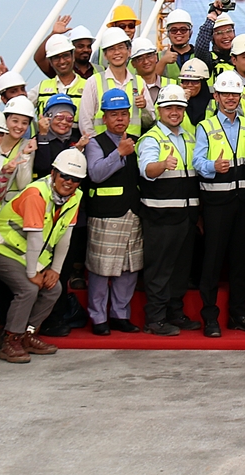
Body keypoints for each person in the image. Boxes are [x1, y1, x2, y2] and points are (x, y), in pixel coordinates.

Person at [0, 148, 85, 364]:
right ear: (54, 172)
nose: (69, 182)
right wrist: (32, 273)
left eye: (75, 179)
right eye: (65, 175)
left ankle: (28, 333)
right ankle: (12, 340)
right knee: (28, 288)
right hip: (2, 250)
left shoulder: (75, 197)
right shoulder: (37, 194)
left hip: (27, 256)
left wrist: (55, 270)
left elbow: (66, 236)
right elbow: (35, 237)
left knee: (54, 288)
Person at [194, 71, 245, 337]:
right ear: (216, 96)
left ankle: (239, 314)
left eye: (234, 94)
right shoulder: (206, 126)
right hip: (216, 203)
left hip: (244, 202)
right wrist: (213, 166)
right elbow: (197, 162)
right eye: (226, 94)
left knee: (240, 261)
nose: (230, 98)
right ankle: (210, 317)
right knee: (212, 261)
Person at [135, 86, 200, 336]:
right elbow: (147, 170)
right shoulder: (152, 139)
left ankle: (175, 312)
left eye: (179, 108)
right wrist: (163, 164)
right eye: (169, 108)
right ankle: (156, 318)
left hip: (186, 215)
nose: (174, 112)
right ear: (159, 110)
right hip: (160, 216)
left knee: (181, 269)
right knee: (159, 268)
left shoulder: (189, 137)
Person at [82, 90, 144, 336]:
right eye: (114, 114)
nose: (119, 119)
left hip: (133, 212)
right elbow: (95, 174)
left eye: (123, 114)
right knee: (100, 268)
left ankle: (120, 314)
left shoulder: (137, 140)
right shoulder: (96, 142)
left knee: (129, 267)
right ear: (104, 118)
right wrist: (119, 153)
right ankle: (98, 317)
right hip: (105, 215)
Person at [35, 34, 85, 116]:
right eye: (56, 57)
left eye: (65, 55)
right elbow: (20, 105)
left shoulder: (88, 87)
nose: (62, 61)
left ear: (73, 56)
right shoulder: (41, 87)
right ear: (50, 62)